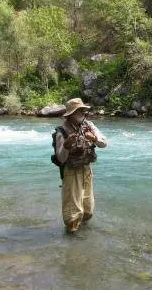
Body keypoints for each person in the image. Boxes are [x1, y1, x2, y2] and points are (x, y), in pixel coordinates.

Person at [55, 98, 108, 233]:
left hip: (86, 169)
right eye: (79, 111)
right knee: (72, 213)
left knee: (87, 208)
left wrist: (94, 139)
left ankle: (82, 236)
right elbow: (61, 158)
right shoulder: (62, 131)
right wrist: (66, 145)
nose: (83, 113)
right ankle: (72, 239)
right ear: (70, 114)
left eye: (83, 110)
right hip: (71, 171)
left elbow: (104, 143)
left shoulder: (89, 125)